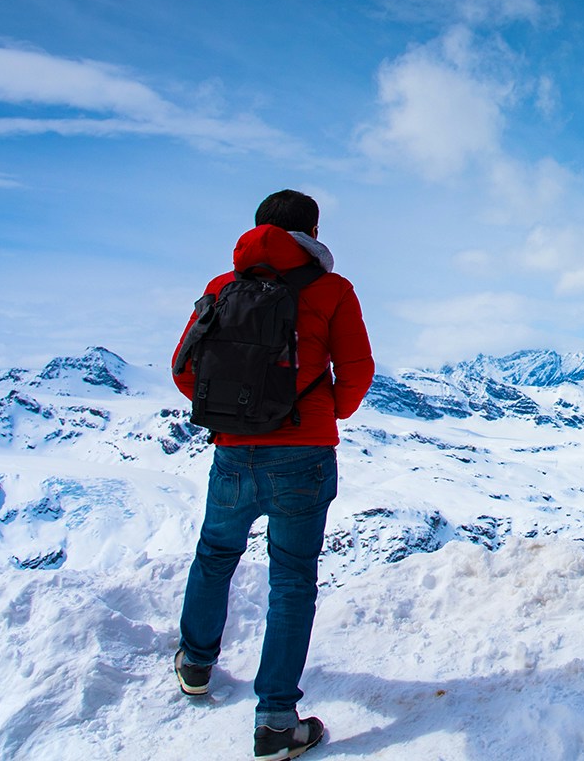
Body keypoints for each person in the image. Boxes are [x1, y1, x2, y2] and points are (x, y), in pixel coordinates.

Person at [171, 189, 374, 761]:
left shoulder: (220, 288)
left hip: (233, 452)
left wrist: (230, 414)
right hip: (303, 455)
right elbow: (357, 368)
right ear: (312, 232)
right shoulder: (332, 290)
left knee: (215, 555)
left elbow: (183, 369)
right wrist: (323, 410)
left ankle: (195, 665)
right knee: (290, 581)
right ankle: (277, 724)